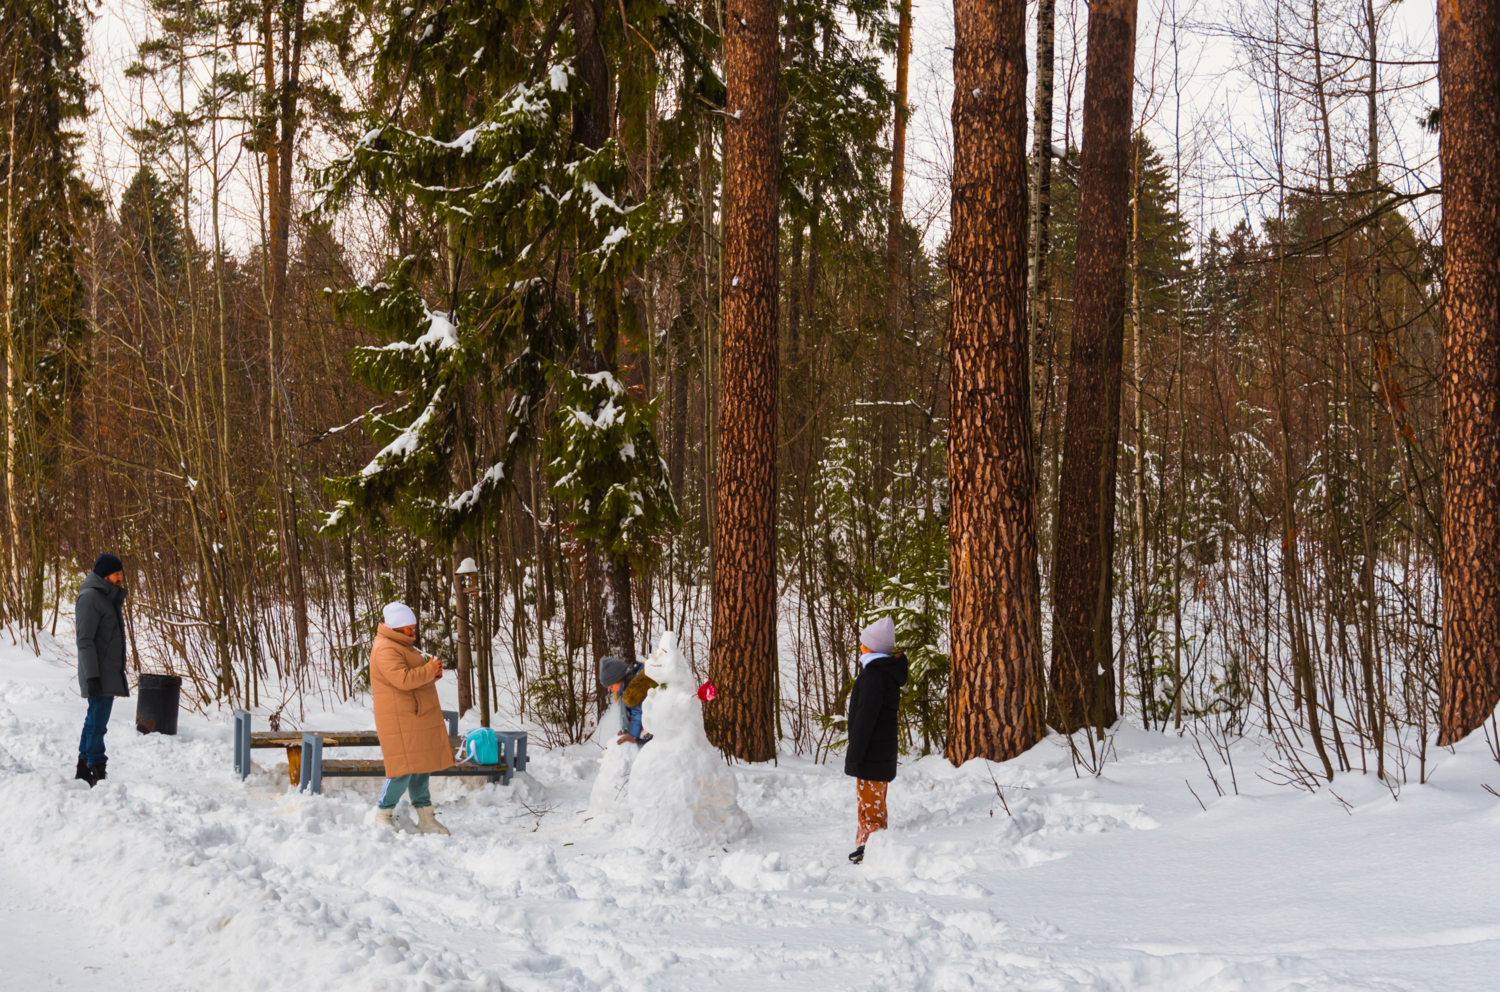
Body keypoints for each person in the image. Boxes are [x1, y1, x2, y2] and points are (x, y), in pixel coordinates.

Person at [370, 602, 455, 834]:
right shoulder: (386, 648)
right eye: (409, 628)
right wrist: (428, 669)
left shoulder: (402, 645)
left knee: (421, 766)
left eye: (413, 627)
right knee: (402, 769)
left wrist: (433, 672)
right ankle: (382, 813)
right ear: (396, 628)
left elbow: (414, 677)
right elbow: (403, 679)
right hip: (400, 718)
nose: (413, 632)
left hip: (415, 715)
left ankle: (426, 817)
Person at [843, 616, 908, 865]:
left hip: (871, 752)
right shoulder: (881, 673)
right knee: (873, 800)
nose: (860, 646)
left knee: (870, 803)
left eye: (864, 643)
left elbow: (864, 720)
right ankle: (869, 843)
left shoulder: (874, 677)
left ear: (873, 648)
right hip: (879, 751)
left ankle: (870, 847)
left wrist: (855, 754)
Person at [75, 553, 129, 787]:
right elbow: (84, 641)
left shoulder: (105, 597)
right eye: (117, 574)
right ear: (106, 575)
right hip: (97, 674)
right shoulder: (90, 598)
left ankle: (84, 767)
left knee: (93, 720)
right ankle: (96, 769)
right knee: (98, 723)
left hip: (105, 672)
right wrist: (93, 676)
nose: (120, 578)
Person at [599, 655, 656, 745]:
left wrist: (632, 735)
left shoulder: (636, 689)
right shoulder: (625, 687)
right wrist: (626, 730)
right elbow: (629, 713)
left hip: (653, 727)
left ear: (618, 679)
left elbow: (638, 714)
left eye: (611, 687)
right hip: (642, 725)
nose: (612, 690)